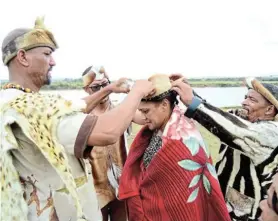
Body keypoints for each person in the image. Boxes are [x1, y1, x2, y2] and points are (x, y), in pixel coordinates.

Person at [0, 17, 155, 221]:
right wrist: (137, 91)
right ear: (23, 57)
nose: (53, 62)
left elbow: (67, 108)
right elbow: (108, 132)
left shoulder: (11, 101)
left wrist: (108, 89)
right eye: (47, 54)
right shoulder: (31, 107)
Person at [118, 74, 230, 221]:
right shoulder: (157, 128)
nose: (143, 117)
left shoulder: (183, 141)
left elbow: (182, 200)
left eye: (146, 111)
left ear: (165, 104)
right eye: (141, 111)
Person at [171, 74, 278, 220]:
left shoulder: (270, 132)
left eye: (251, 99)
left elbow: (230, 128)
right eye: (245, 97)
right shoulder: (243, 120)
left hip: (251, 213)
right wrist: (189, 91)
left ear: (269, 110)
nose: (243, 102)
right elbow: (217, 114)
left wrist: (192, 101)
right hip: (228, 203)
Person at [81, 65, 145, 221]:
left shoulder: (120, 112)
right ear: (87, 90)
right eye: (96, 87)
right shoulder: (82, 118)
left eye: (105, 84)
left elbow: (144, 118)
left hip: (121, 186)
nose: (103, 89)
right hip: (94, 191)